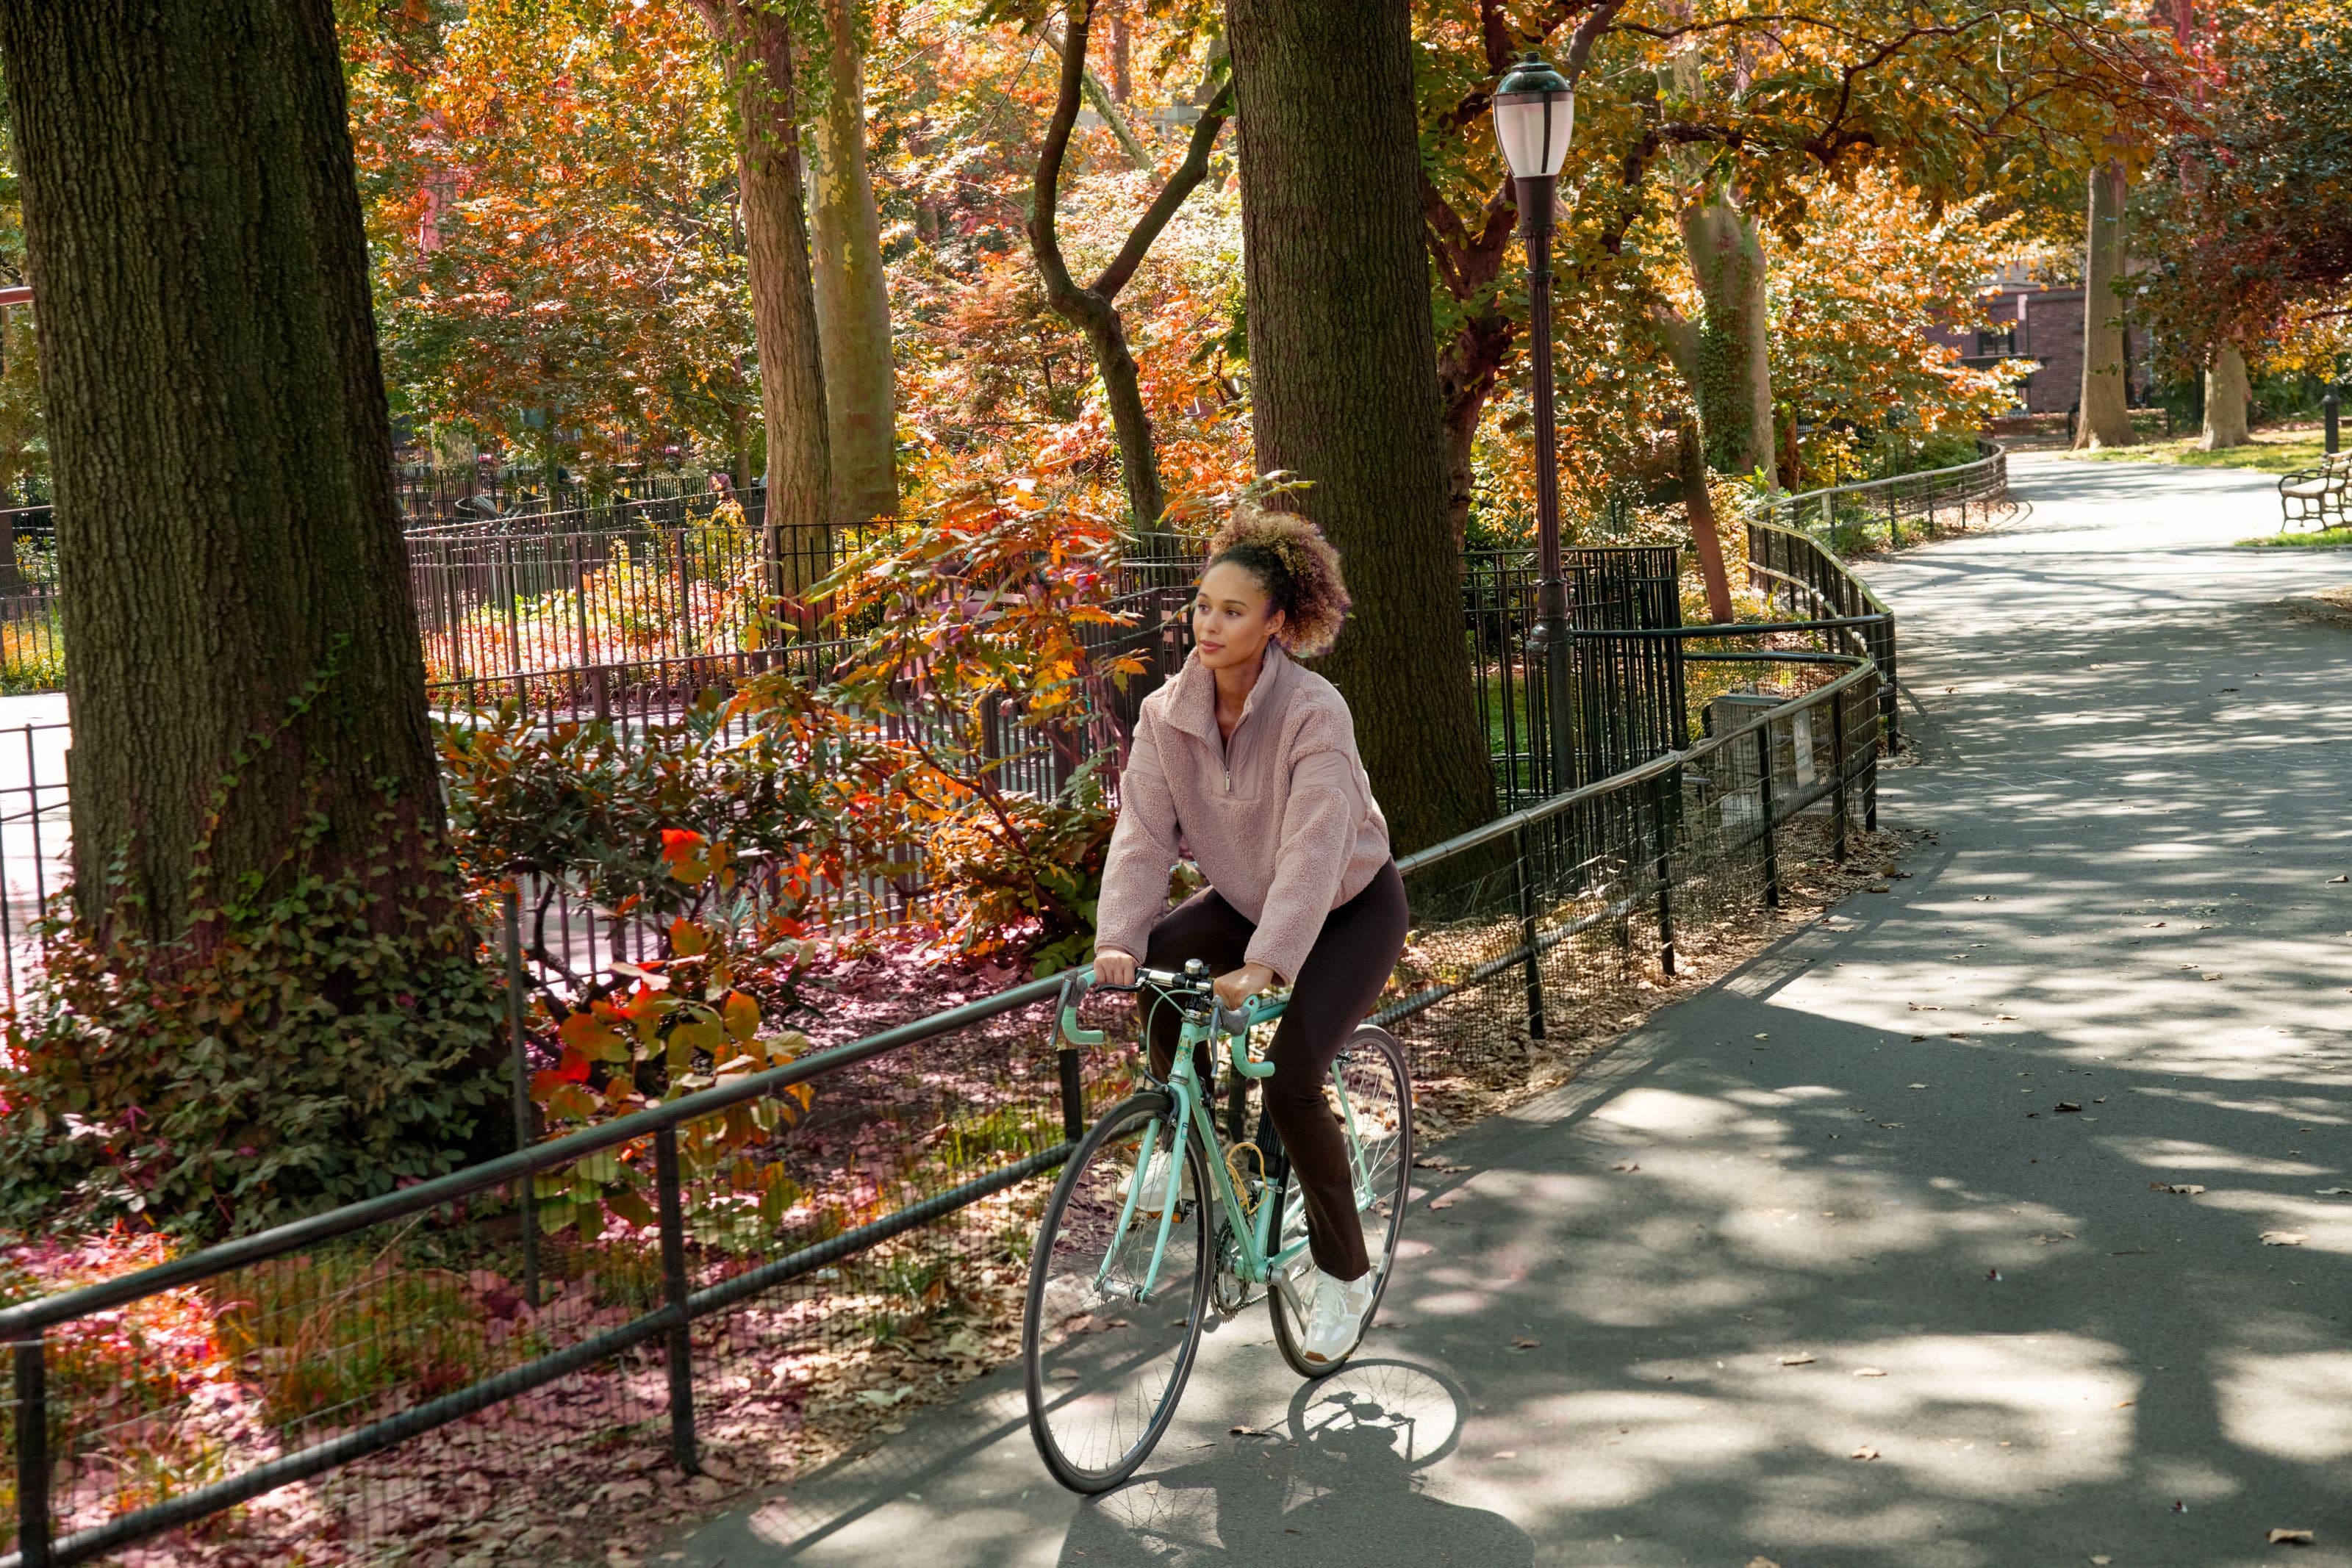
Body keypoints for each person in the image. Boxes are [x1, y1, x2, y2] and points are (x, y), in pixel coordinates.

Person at [1091, 504, 1409, 1366]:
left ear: (1276, 621)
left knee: (1291, 1080)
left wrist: (1269, 963)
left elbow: (1313, 846)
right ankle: (1190, 1143)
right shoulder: (1166, 714)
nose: (1209, 625)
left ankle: (1342, 1273)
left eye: (1232, 610)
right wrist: (1116, 937)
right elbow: (1144, 833)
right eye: (1202, 606)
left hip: (1345, 905)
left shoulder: (1315, 710)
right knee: (1154, 968)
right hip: (1241, 894)